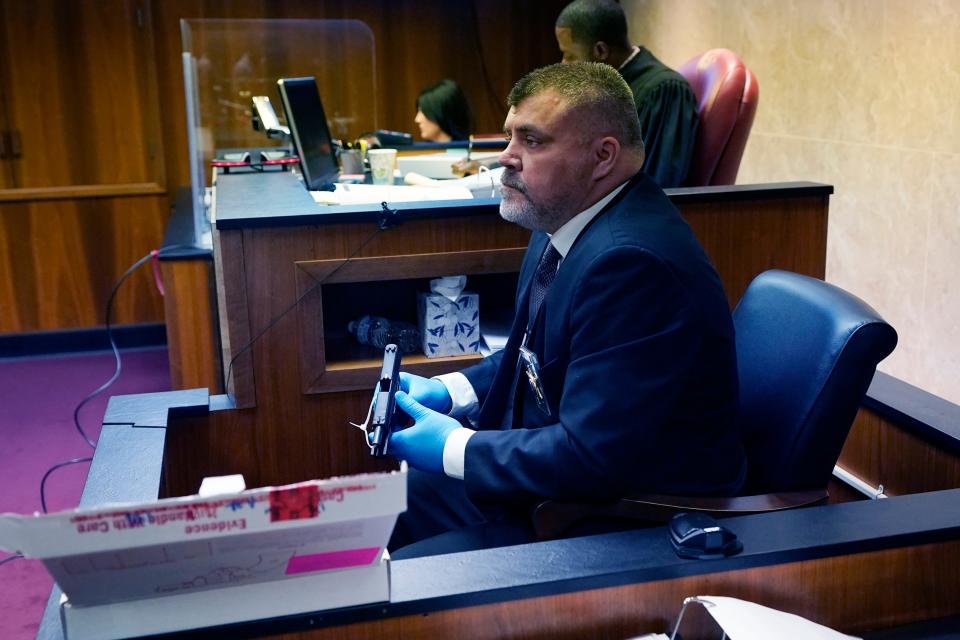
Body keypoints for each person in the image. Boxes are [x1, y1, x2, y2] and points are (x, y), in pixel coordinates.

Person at [385, 62, 744, 556]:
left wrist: (454, 448)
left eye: (531, 141)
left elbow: (592, 455)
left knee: (404, 583)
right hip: (556, 483)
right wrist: (452, 391)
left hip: (622, 516)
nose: (505, 158)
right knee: (390, 506)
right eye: (510, 136)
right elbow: (536, 353)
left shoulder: (631, 263)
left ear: (602, 156)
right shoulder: (561, 221)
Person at [554, 0, 698, 188]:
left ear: (601, 51)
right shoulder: (607, 86)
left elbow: (653, 186)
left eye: (571, 56)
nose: (564, 65)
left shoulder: (664, 91)